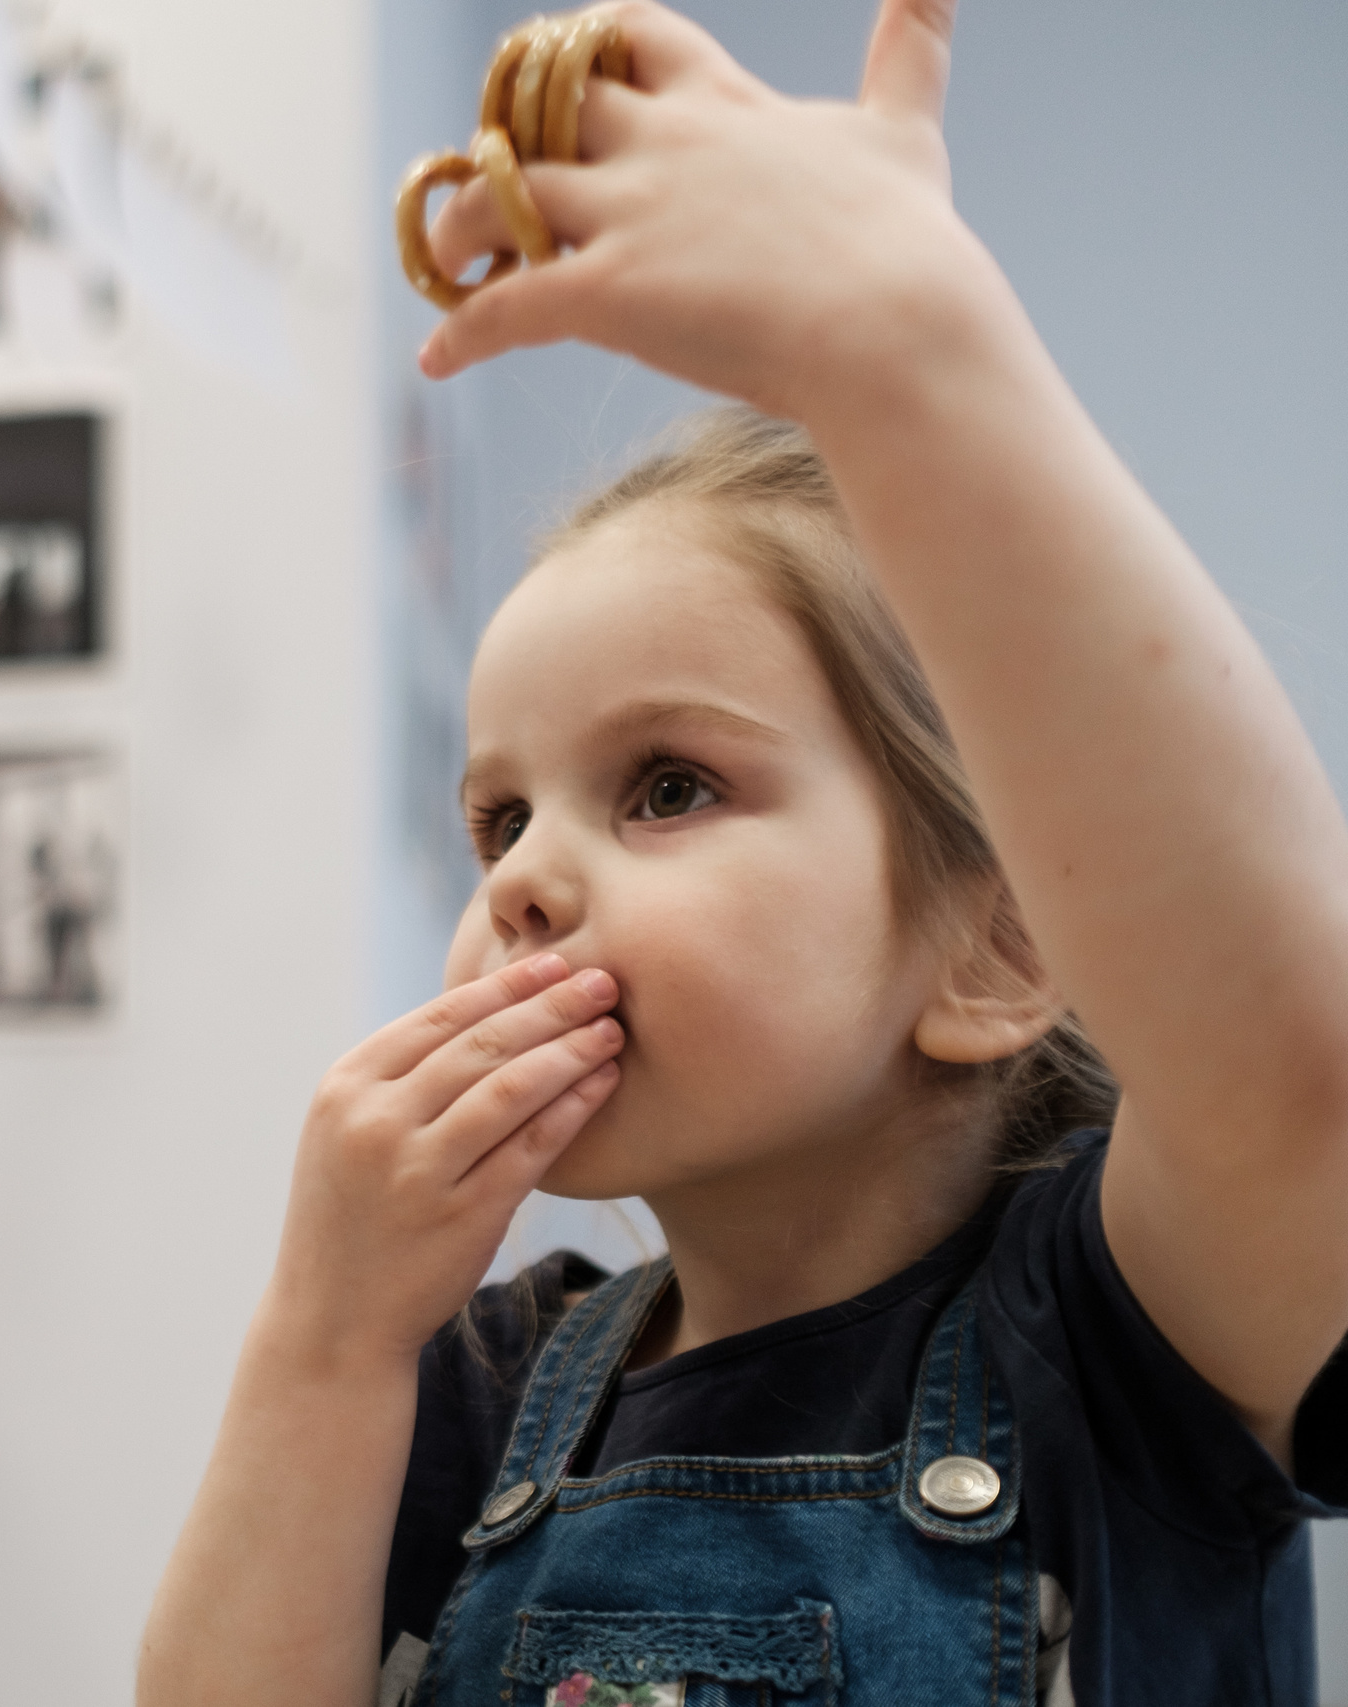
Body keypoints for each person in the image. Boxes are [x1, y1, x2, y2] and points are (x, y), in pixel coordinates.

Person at [138, 4, 1348, 1703]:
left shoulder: (1131, 1339)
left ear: (995, 949)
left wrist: (910, 351)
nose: (523, 879)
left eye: (667, 787)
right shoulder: (483, 1387)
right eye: (499, 814)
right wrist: (323, 1350)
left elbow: (1288, 1048)